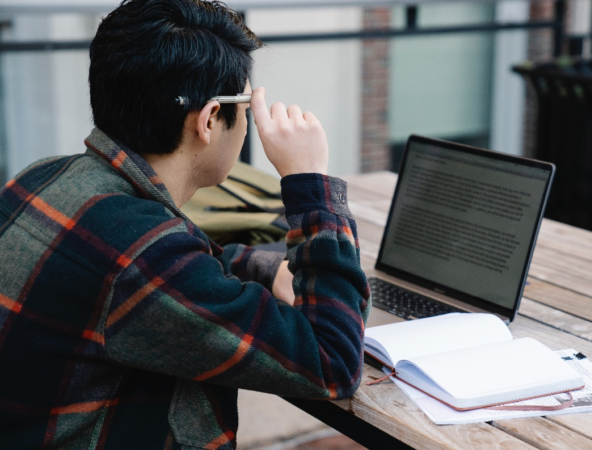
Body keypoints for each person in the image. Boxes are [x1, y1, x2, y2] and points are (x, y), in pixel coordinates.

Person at [0, 0, 370, 448]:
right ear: (211, 119)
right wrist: (310, 182)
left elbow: (164, 275)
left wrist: (263, 269)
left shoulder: (43, 176)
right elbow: (332, 363)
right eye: (247, 103)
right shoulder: (144, 252)